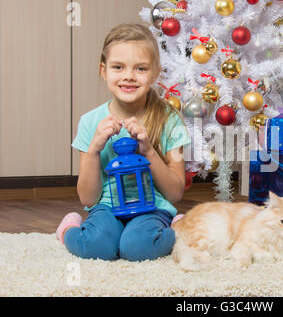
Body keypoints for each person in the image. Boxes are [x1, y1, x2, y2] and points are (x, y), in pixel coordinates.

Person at [55, 23, 191, 262]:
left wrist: (148, 150)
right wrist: (94, 149)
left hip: (152, 207)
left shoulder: (169, 120)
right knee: (97, 246)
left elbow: (175, 192)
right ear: (103, 70)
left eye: (140, 68)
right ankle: (68, 229)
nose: (128, 76)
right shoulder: (90, 122)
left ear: (155, 73)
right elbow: (87, 199)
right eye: (118, 67)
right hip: (106, 206)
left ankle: (177, 227)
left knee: (137, 248)